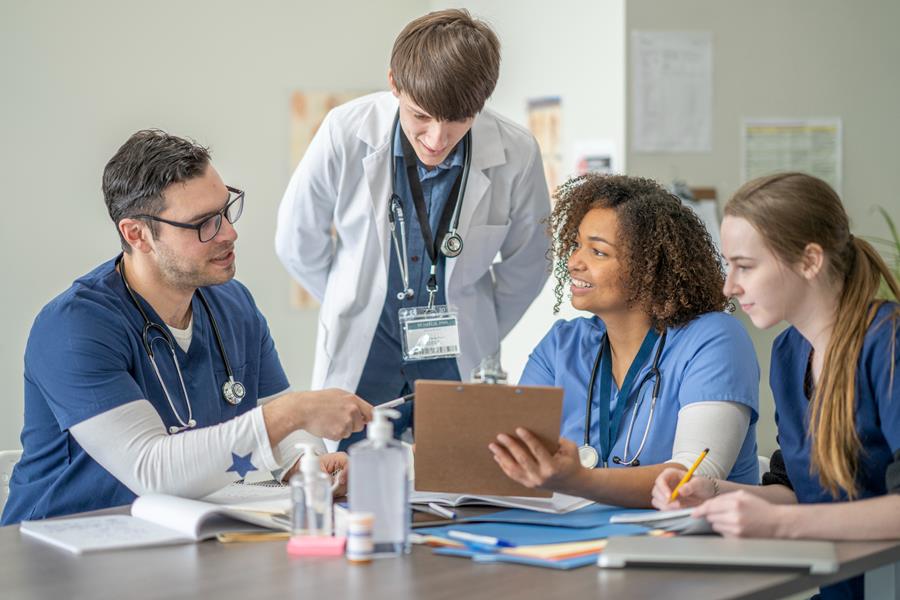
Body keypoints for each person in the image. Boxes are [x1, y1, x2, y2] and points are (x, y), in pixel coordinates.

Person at [2, 130, 373, 525]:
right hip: (60, 552)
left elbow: (283, 433)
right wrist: (294, 412)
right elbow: (151, 470)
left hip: (177, 536)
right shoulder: (74, 328)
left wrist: (309, 464)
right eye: (203, 224)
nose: (229, 233)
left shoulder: (234, 305)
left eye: (226, 211)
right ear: (137, 234)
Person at [275, 9, 551, 448]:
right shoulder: (346, 131)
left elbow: (532, 260)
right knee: (352, 482)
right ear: (394, 83)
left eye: (458, 119)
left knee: (457, 481)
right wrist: (353, 296)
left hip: (457, 350)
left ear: (481, 103)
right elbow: (296, 239)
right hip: (364, 352)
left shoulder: (516, 151)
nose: (437, 139)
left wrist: (481, 323)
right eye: (421, 115)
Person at [651, 172, 900, 599]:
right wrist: (711, 493)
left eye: (744, 266)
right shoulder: (788, 352)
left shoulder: (888, 343)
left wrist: (782, 525)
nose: (730, 286)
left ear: (810, 261)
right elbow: (799, 493)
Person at [488, 174, 760, 508]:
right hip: (576, 541)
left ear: (649, 267)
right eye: (576, 245)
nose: (574, 262)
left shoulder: (714, 339)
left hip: (693, 543)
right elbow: (516, 456)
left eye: (598, 252)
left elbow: (695, 476)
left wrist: (580, 480)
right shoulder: (562, 346)